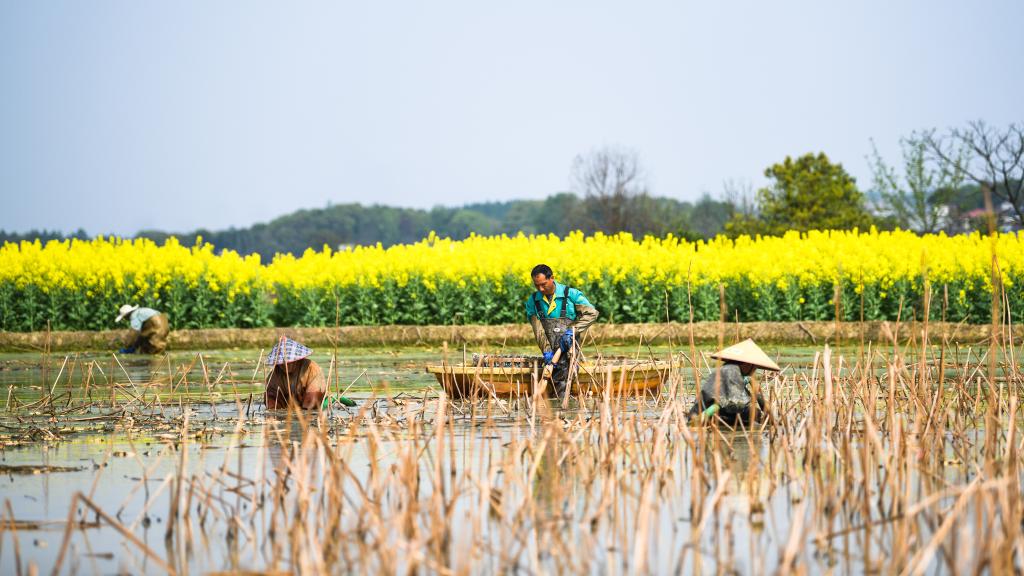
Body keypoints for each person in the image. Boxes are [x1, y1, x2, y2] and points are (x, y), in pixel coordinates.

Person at [525, 264, 599, 397]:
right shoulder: (533, 301)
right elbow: (538, 330)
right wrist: (547, 351)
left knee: (565, 376)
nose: (540, 289)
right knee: (553, 376)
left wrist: (572, 331)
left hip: (570, 348)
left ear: (552, 278)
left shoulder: (571, 294)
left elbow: (592, 313)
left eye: (543, 284)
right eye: (536, 285)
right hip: (551, 350)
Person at [690, 338, 780, 422]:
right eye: (755, 367)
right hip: (706, 412)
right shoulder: (732, 371)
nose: (754, 370)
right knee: (753, 412)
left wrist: (770, 416)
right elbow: (734, 404)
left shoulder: (734, 370)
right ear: (748, 364)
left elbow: (759, 396)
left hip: (710, 409)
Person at [264, 336, 327, 410]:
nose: (286, 365)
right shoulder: (275, 374)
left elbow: (312, 400)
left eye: (290, 362)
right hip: (287, 410)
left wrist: (302, 413)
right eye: (282, 363)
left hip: (308, 407)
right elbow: (271, 399)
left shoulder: (311, 368)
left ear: (298, 359)